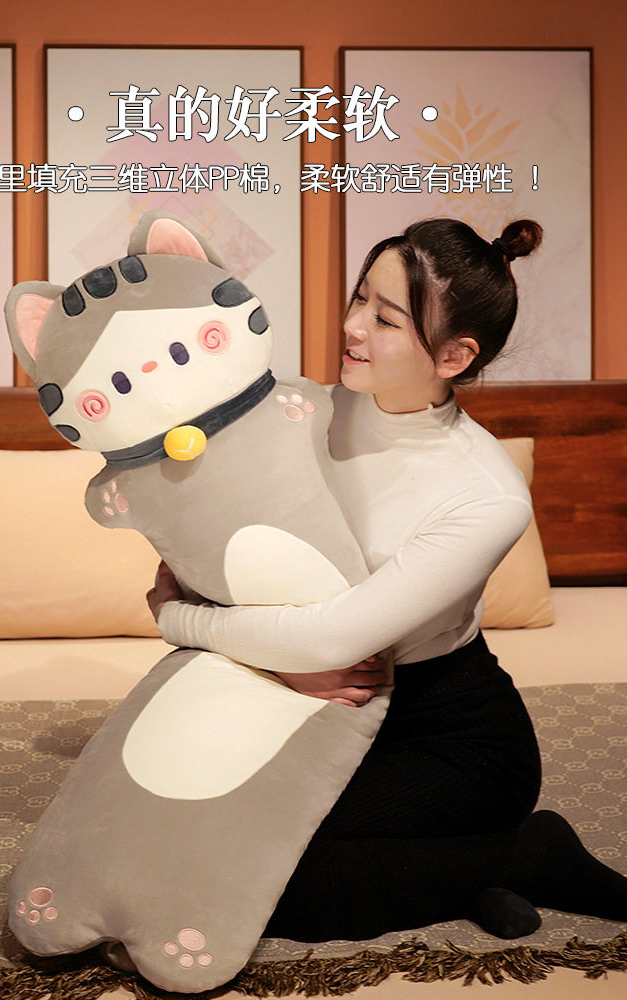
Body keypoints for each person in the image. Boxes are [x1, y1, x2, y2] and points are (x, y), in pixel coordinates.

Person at [147, 217, 627, 942]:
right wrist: (274, 657)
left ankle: (528, 854)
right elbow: (213, 535)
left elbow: (336, 639)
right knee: (180, 833)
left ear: (455, 355)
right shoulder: (302, 413)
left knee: (274, 886)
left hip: (446, 735)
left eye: (387, 318)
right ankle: (472, 875)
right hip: (306, 702)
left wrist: (175, 619)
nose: (353, 326)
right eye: (360, 298)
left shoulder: (485, 493)